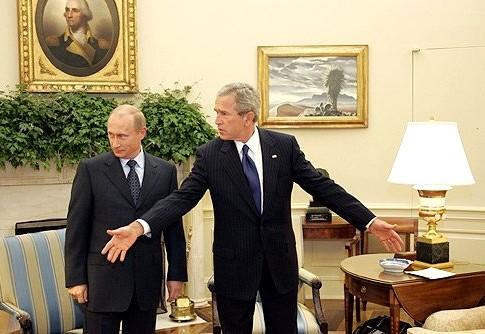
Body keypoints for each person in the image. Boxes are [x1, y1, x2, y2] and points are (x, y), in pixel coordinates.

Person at [101, 83, 404, 334]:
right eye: (216, 112)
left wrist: (369, 220)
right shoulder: (210, 155)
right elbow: (182, 198)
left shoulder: (283, 147)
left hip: (279, 265)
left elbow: (323, 187)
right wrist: (139, 226)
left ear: (248, 117)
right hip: (234, 267)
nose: (216, 119)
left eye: (223, 113)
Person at [65, 105, 187, 334]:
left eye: (122, 136)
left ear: (142, 133)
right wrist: (75, 279)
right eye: (110, 135)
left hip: (146, 283)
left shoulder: (165, 171)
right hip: (102, 282)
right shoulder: (91, 169)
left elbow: (173, 228)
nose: (115, 142)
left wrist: (176, 275)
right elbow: (76, 228)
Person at [46, 0, 109, 68]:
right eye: (67, 10)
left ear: (85, 15)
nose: (69, 15)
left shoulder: (101, 46)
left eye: (75, 10)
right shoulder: (54, 43)